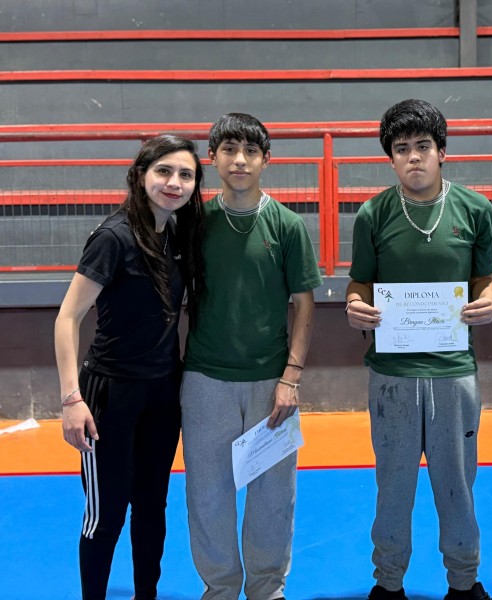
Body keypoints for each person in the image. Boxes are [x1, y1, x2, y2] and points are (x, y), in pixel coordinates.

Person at [345, 99, 492, 600]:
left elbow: (484, 279)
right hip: (392, 375)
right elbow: (359, 283)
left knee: (458, 483)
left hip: (454, 371)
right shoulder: (372, 214)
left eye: (423, 146)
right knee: (393, 485)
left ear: (442, 152)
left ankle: (464, 582)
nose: (413, 156)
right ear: (391, 158)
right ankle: (388, 584)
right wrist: (354, 305)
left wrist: (490, 300)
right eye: (402, 148)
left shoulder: (475, 209)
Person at [54, 134, 206, 600]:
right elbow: (68, 318)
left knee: (152, 507)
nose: (174, 183)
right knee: (106, 514)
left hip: (162, 392)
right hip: (110, 395)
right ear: (140, 176)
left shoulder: (178, 233)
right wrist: (71, 399)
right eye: (163, 171)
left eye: (185, 175)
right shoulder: (113, 237)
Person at [180, 113, 322, 600]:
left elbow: (304, 305)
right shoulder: (194, 223)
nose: (239, 160)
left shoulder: (287, 225)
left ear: (266, 160)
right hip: (205, 379)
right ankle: (219, 588)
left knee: (274, 494)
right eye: (229, 150)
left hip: (271, 383)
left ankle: (267, 589)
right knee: (207, 494)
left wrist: (291, 377)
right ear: (212, 158)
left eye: (250, 151)